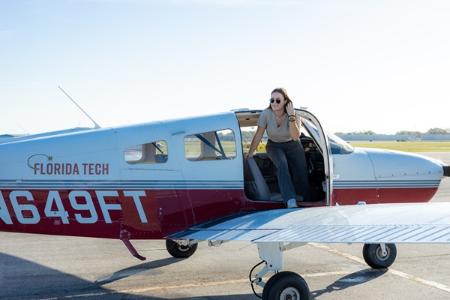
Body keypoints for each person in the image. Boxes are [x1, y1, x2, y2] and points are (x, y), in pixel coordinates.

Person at [246, 88, 310, 208]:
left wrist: (291, 116)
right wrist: (250, 152)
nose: (274, 103)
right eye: (272, 100)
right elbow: (259, 134)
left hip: (293, 145)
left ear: (285, 101)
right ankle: (290, 200)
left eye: (278, 100)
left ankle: (302, 197)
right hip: (274, 145)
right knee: (282, 164)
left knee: (301, 170)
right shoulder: (266, 114)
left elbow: (296, 137)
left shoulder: (295, 114)